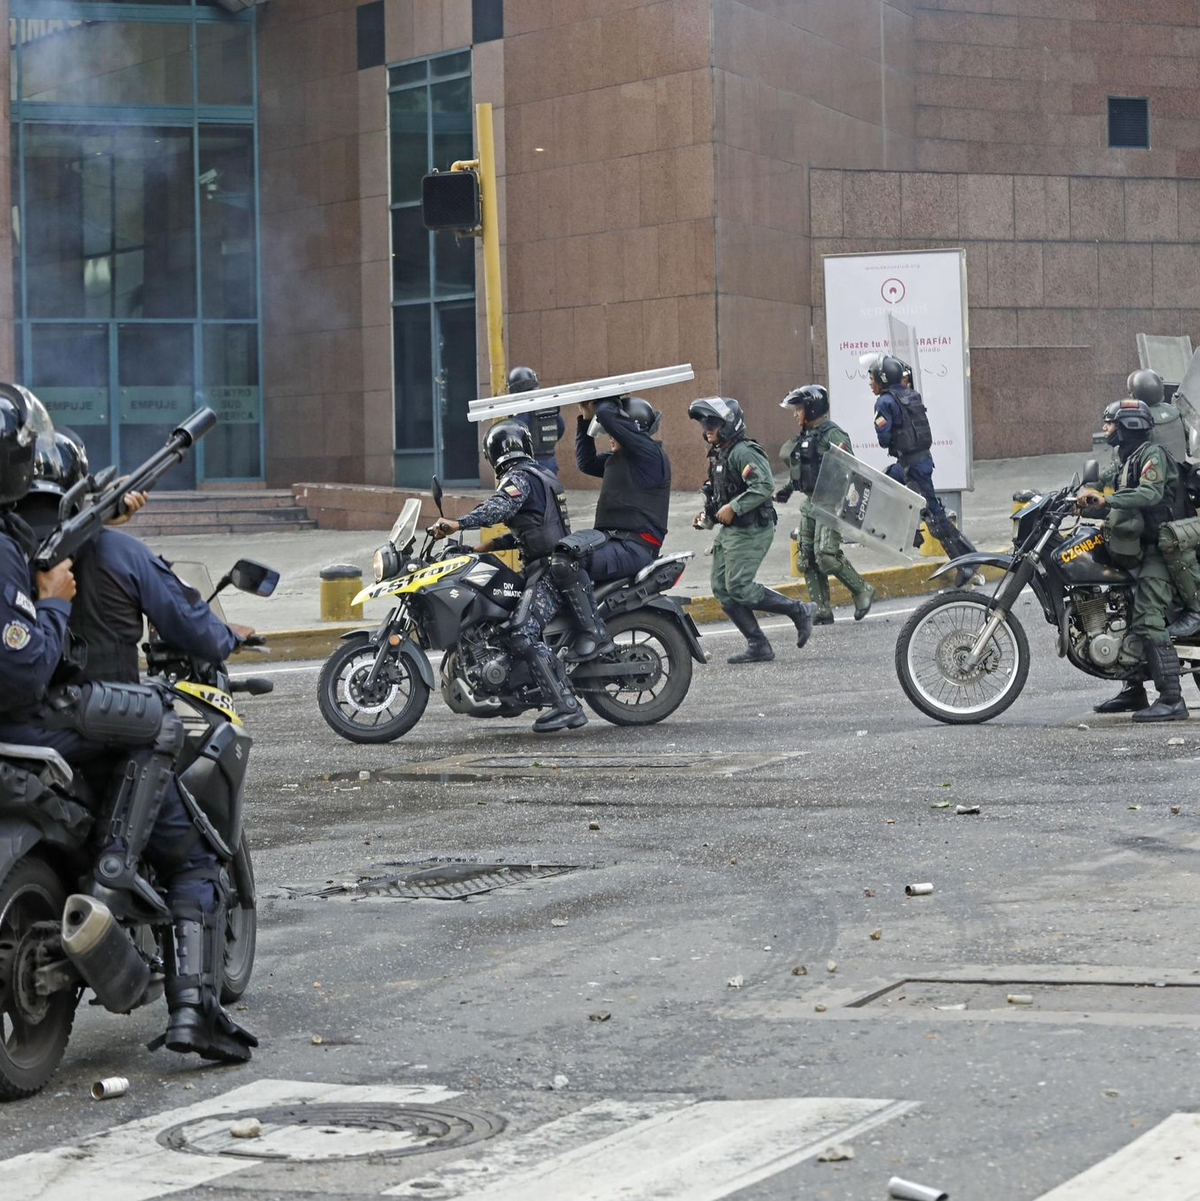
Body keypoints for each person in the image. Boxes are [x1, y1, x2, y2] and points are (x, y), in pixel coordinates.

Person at [0, 416, 259, 1063]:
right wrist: (231, 637)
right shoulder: (115, 556)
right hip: (96, 731)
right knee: (195, 856)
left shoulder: (17, 547)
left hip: (39, 736)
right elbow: (194, 626)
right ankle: (193, 1009)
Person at [432, 419, 586, 732]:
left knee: (522, 633)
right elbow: (536, 528)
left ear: (495, 454)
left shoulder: (520, 478)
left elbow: (500, 507)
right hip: (549, 564)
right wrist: (490, 544)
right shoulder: (541, 475)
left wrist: (458, 523)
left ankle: (566, 705)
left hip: (550, 572)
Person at [1079, 399, 1187, 722]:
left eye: (1110, 423)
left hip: (1160, 547)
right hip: (1139, 544)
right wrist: (1077, 495)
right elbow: (1104, 482)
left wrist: (1106, 498)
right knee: (1123, 603)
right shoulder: (1128, 458)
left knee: (1147, 615)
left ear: (1129, 426)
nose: (1105, 428)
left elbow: (1149, 494)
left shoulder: (1152, 456)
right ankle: (1134, 690)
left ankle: (1171, 699)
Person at [687, 396, 815, 663]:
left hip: (753, 528)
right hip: (732, 531)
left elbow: (764, 485)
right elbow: (720, 495)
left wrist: (734, 507)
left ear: (730, 424)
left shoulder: (744, 451)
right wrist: (707, 518)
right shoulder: (721, 453)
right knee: (722, 589)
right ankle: (758, 645)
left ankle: (799, 610)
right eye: (705, 423)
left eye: (713, 423)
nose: (707, 428)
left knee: (739, 587)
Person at [560, 393, 672, 661]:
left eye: (614, 430)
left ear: (632, 428)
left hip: (634, 547)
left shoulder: (650, 456)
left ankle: (592, 635)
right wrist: (584, 419)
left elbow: (609, 416)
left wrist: (604, 399)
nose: (608, 435)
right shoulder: (618, 458)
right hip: (611, 541)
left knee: (566, 563)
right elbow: (585, 463)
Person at [865, 353, 978, 589]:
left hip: (913, 466)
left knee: (935, 518)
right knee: (888, 482)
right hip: (918, 461)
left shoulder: (884, 402)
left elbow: (884, 440)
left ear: (883, 379)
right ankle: (911, 533)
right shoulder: (910, 394)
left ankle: (966, 561)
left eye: (872, 377)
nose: (870, 382)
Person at [775, 384, 873, 625]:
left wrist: (849, 506)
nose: (795, 414)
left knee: (826, 555)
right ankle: (821, 609)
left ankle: (862, 589)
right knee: (806, 556)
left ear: (811, 408)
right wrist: (787, 490)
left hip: (832, 502)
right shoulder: (807, 435)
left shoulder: (833, 434)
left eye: (798, 409)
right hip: (811, 502)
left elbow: (851, 469)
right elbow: (803, 470)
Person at [1122, 370, 1200, 638]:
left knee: (1168, 546)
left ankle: (1194, 609)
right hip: (1179, 494)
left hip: (1156, 501)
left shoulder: (1140, 423)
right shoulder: (1175, 413)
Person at [508, 365, 565, 476]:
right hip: (550, 461)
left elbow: (516, 433)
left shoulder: (523, 410)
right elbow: (561, 428)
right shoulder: (549, 406)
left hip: (531, 464)